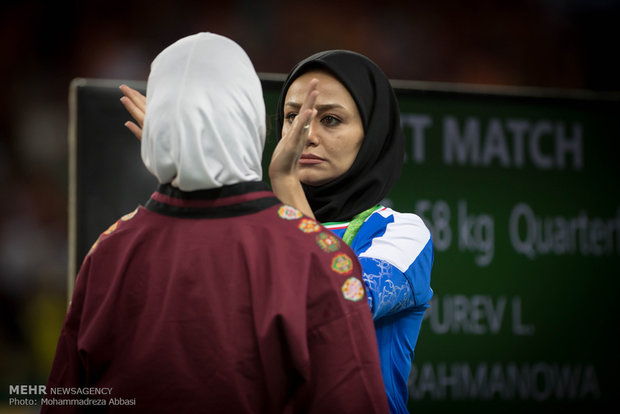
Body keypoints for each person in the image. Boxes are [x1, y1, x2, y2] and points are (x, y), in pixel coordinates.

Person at [43, 33, 389, 413]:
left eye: (333, 120)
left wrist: (172, 147)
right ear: (253, 118)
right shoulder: (317, 255)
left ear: (158, 123)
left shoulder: (109, 252)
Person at [120, 49, 433, 414]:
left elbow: (338, 301)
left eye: (330, 120)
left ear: (373, 133)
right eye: (292, 116)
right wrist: (189, 180)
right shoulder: (255, 224)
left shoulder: (401, 233)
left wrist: (284, 181)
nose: (306, 134)